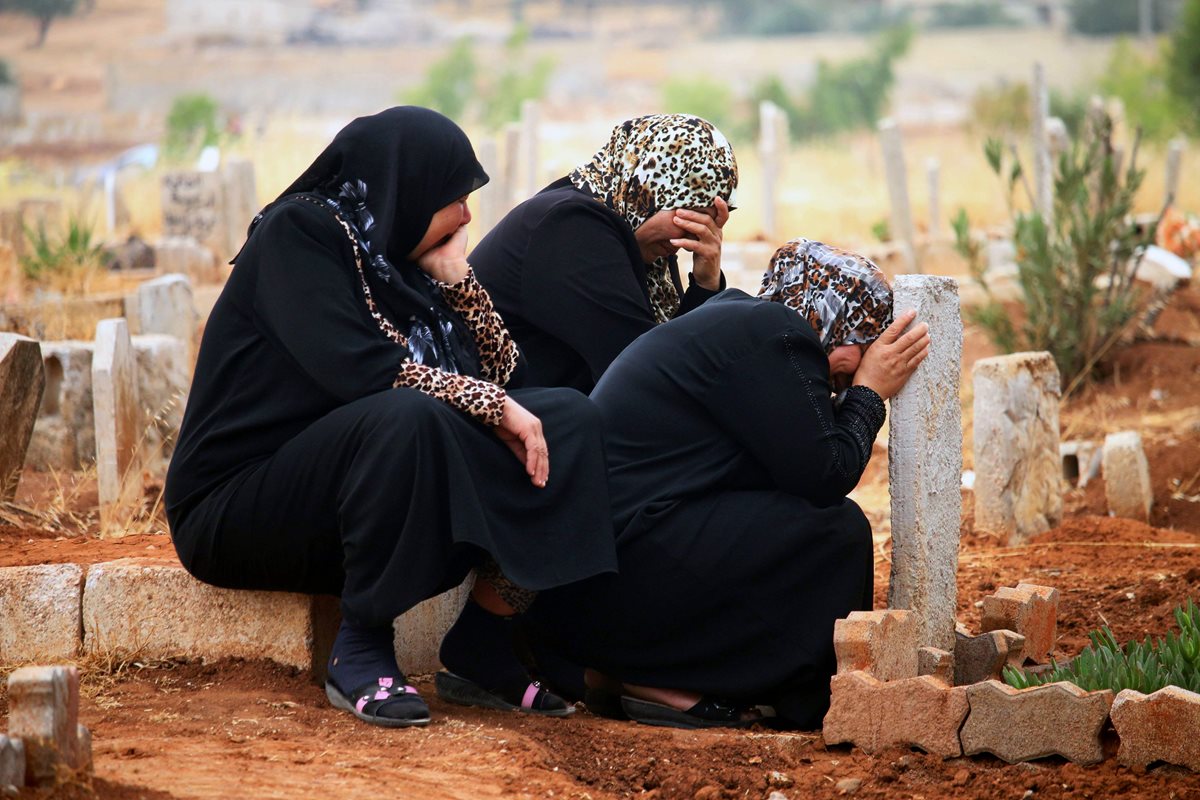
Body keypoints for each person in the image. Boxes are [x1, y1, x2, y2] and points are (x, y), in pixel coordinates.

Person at [164, 107, 617, 729]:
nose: (465, 215)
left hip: (362, 491)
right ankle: (362, 647)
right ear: (404, 186)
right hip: (242, 503)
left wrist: (461, 285)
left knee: (567, 417)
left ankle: (484, 641)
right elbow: (364, 375)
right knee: (404, 416)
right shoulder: (297, 237)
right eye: (453, 196)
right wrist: (493, 405)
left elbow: (514, 383)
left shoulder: (399, 258)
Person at [527, 239, 931, 729]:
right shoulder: (777, 333)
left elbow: (791, 474)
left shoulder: (748, 327)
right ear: (828, 316)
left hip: (604, 569)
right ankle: (752, 690)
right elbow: (828, 474)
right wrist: (869, 392)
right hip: (624, 567)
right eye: (861, 342)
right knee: (837, 534)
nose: (859, 362)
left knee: (801, 524)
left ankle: (632, 671)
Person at [469, 113, 739, 392]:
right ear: (648, 188)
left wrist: (706, 283)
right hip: (493, 426)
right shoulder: (571, 228)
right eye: (691, 215)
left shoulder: (637, 232)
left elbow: (676, 359)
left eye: (709, 223)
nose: (694, 235)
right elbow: (650, 377)